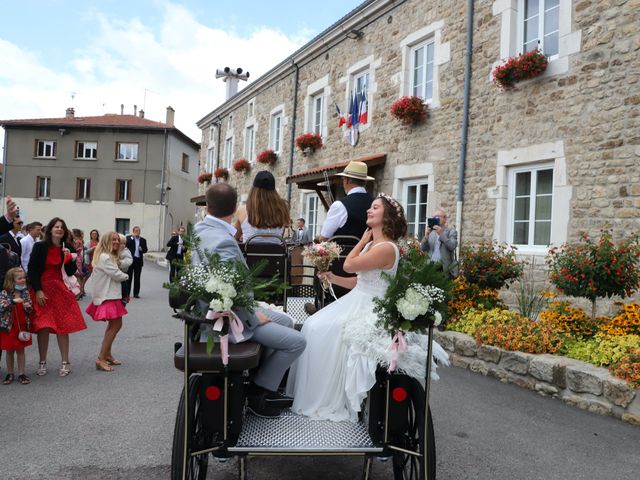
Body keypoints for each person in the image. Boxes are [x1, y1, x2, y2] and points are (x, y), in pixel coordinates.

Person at [287, 194, 449, 422]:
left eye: (375, 208)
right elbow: (359, 281)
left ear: (387, 216)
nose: (369, 211)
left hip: (372, 307)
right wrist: (332, 277)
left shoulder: (385, 247)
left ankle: (328, 399)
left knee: (321, 331)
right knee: (313, 326)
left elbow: (349, 264)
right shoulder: (375, 244)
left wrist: (361, 241)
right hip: (358, 298)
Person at [193, 183, 306, 418]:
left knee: (285, 322)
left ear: (207, 206)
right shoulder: (222, 241)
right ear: (234, 208)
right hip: (227, 319)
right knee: (297, 341)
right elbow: (224, 292)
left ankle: (260, 379)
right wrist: (253, 316)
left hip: (225, 309)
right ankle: (257, 393)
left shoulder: (201, 229)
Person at [27, 217, 87, 377]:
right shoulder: (39, 247)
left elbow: (70, 270)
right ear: (50, 230)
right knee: (43, 327)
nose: (59, 229)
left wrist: (68, 257)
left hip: (60, 289)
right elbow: (32, 270)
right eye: (56, 227)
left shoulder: (67, 246)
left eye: (62, 227)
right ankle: (42, 362)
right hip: (43, 291)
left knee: (62, 326)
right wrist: (38, 290)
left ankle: (65, 362)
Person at [85, 232, 129, 372]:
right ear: (105, 241)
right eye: (113, 240)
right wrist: (126, 276)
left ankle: (107, 354)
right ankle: (101, 358)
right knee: (116, 325)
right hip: (108, 295)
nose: (116, 242)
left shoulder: (107, 256)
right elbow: (117, 274)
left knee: (113, 325)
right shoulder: (105, 257)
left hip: (109, 294)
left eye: (117, 240)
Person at [234, 170, 290, 244]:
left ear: (254, 189)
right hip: (275, 254)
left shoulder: (242, 209)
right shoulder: (283, 209)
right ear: (274, 190)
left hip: (250, 254)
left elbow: (235, 236)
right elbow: (280, 236)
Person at [0, 267, 33, 385]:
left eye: (24, 278)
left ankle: (21, 373)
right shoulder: (4, 293)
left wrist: (27, 306)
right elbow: (1, 306)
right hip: (9, 326)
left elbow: (30, 309)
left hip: (21, 325)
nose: (23, 280)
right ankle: (10, 373)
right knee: (9, 351)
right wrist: (13, 302)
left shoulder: (25, 292)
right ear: (11, 280)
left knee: (20, 350)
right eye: (20, 278)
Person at [421, 209, 459, 278]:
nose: (435, 219)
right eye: (434, 217)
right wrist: (426, 236)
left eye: (438, 217)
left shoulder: (451, 231)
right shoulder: (431, 232)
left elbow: (452, 246)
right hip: (430, 266)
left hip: (444, 267)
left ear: (445, 219)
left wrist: (441, 234)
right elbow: (423, 248)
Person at [125, 226, 147, 299]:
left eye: (139, 231)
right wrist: (132, 237)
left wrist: (142, 249)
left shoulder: (143, 240)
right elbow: (125, 246)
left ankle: (136, 293)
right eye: (136, 230)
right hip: (131, 260)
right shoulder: (128, 238)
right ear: (133, 231)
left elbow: (145, 250)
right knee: (129, 277)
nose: (137, 232)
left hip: (138, 260)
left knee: (137, 278)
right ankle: (127, 293)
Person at [72, 229, 88, 297]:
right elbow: (84, 247)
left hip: (77, 258)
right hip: (79, 257)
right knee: (78, 275)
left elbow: (75, 248)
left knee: (77, 274)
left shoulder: (77, 241)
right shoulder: (80, 240)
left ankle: (79, 292)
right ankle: (80, 291)